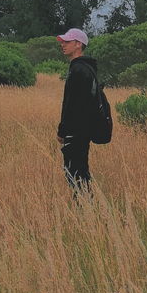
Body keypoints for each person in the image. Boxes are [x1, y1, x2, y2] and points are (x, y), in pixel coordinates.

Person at [57, 27, 98, 193]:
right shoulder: (85, 68)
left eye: (67, 41)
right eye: (63, 42)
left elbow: (73, 105)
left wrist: (63, 130)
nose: (63, 45)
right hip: (83, 130)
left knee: (74, 173)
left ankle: (85, 209)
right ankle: (86, 208)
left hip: (76, 131)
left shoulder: (79, 70)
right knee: (79, 171)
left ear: (78, 44)